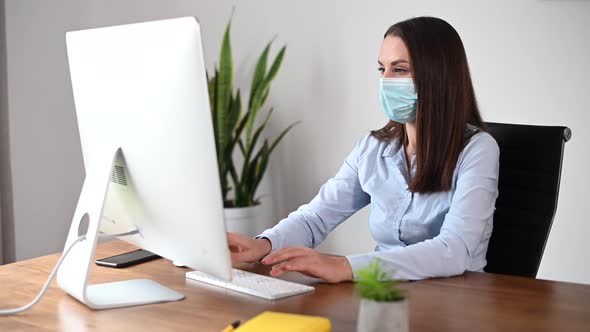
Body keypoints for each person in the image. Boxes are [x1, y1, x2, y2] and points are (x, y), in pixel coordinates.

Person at [227, 16, 499, 283]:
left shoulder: (477, 150)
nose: (386, 80)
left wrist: (346, 266)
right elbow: (317, 216)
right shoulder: (373, 147)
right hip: (384, 293)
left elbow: (454, 250)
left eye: (400, 69)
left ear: (437, 77)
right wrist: (262, 244)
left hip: (456, 300)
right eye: (382, 69)